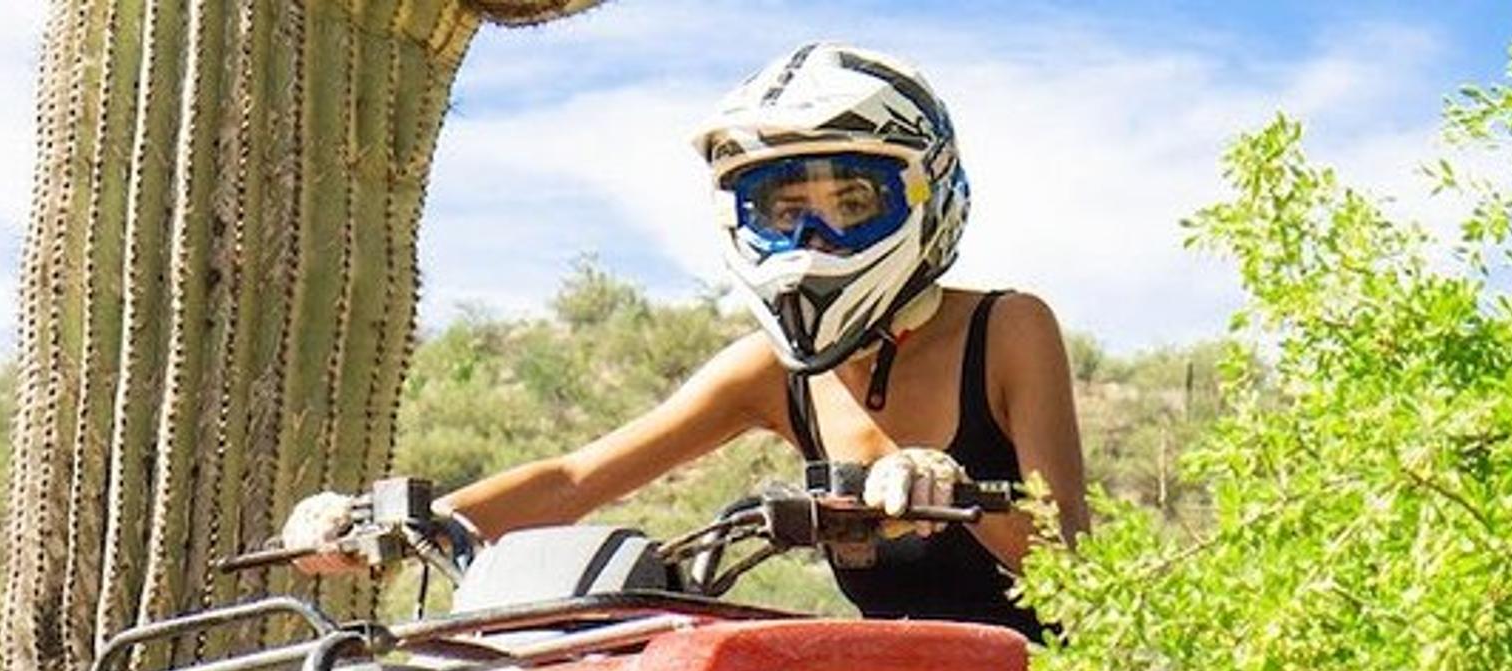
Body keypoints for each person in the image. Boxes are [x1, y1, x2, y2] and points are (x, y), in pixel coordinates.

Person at [283, 41, 1088, 639]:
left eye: (852, 200)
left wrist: (953, 492)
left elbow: (1074, 573)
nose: (815, 233)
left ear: (926, 195)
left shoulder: (1008, 329)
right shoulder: (776, 373)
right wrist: (388, 521)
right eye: (782, 208)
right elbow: (575, 479)